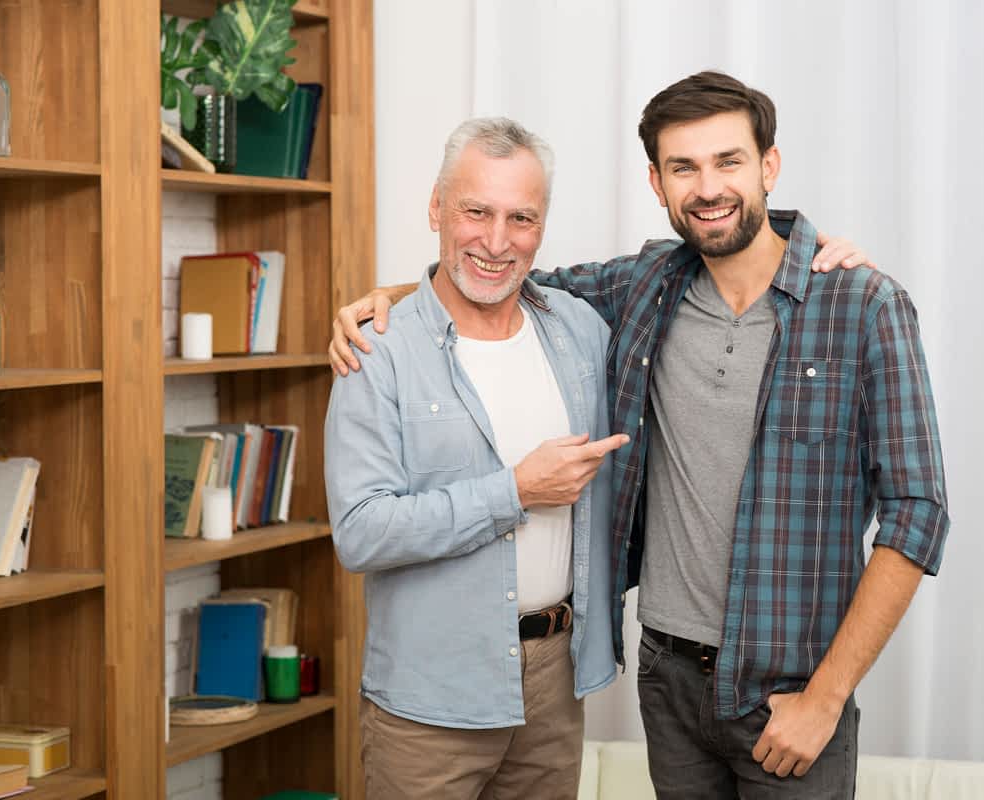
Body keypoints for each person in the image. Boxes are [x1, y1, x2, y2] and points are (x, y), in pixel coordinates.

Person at [331, 70, 949, 799]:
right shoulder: (644, 286)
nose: (708, 186)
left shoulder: (862, 304)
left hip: (792, 693)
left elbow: (917, 513)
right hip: (669, 681)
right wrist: (390, 300)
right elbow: (498, 274)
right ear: (656, 182)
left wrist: (826, 698)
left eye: (729, 161)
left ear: (769, 166)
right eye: (684, 167)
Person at [324, 117, 630, 800]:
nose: (496, 241)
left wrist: (811, 245)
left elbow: (697, 268)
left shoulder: (581, 331)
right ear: (437, 208)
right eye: (476, 211)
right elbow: (361, 531)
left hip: (556, 685)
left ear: (543, 225)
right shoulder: (379, 349)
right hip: (430, 697)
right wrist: (514, 492)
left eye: (520, 217)